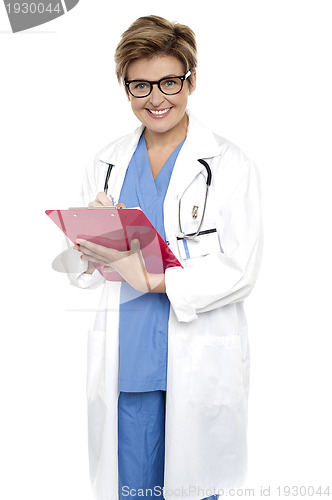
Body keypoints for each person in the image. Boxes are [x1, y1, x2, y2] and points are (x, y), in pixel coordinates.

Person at [67, 15, 263, 500]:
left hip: (196, 354)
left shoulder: (229, 164)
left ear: (191, 81)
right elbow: (84, 275)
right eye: (140, 85)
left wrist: (155, 280)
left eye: (169, 82)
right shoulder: (106, 164)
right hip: (127, 360)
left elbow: (242, 269)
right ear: (125, 88)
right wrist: (88, 246)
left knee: (194, 484)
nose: (156, 98)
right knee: (132, 490)